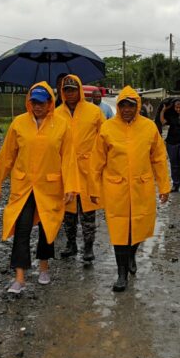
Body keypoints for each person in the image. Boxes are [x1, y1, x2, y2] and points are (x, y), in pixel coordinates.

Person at [0, 82, 77, 294]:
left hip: (50, 185)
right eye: (34, 102)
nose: (37, 106)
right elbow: (6, 156)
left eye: (42, 102)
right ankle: (19, 277)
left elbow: (69, 159)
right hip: (24, 185)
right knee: (22, 228)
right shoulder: (19, 123)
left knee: (47, 226)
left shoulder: (62, 125)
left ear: (50, 103)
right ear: (29, 102)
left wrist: (71, 186)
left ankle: (44, 265)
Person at [90, 86, 170, 292]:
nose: (126, 109)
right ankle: (121, 274)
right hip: (115, 188)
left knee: (139, 228)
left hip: (141, 187)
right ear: (118, 106)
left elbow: (159, 158)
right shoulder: (107, 128)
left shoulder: (149, 127)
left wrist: (164, 186)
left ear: (137, 107)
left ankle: (132, 254)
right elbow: (96, 161)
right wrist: (93, 189)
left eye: (130, 106)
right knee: (119, 232)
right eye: (123, 105)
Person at [55, 75, 104, 263]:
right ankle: (71, 244)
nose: (70, 93)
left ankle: (89, 247)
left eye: (73, 89)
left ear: (80, 90)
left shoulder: (94, 112)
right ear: (62, 92)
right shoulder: (56, 113)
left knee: (88, 211)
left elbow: (104, 138)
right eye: (66, 90)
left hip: (88, 168)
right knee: (68, 212)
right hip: (65, 169)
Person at [159, 98, 180, 192]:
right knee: (174, 164)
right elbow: (163, 122)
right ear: (174, 107)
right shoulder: (171, 115)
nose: (178, 109)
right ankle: (176, 184)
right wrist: (163, 110)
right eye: (176, 107)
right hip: (172, 142)